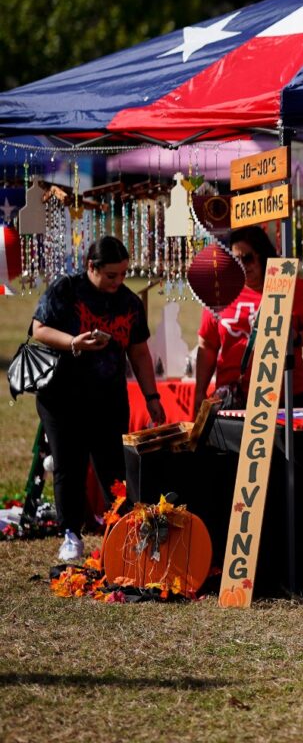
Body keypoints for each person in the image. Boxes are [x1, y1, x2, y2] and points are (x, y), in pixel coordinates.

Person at [31, 236, 165, 564]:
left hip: (108, 397)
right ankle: (71, 533)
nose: (118, 281)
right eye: (111, 275)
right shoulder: (66, 290)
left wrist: (152, 396)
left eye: (123, 274)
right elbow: (39, 329)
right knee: (69, 464)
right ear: (91, 267)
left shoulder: (129, 302)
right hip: (61, 396)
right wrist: (73, 342)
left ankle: (120, 529)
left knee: (113, 467)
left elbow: (139, 352)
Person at [194, 226, 303, 410]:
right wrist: (200, 391)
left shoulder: (292, 287)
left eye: (247, 258)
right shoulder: (220, 292)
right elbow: (207, 346)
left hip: (285, 396)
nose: (242, 265)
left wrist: (296, 338)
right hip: (235, 397)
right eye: (235, 259)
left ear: (263, 256)